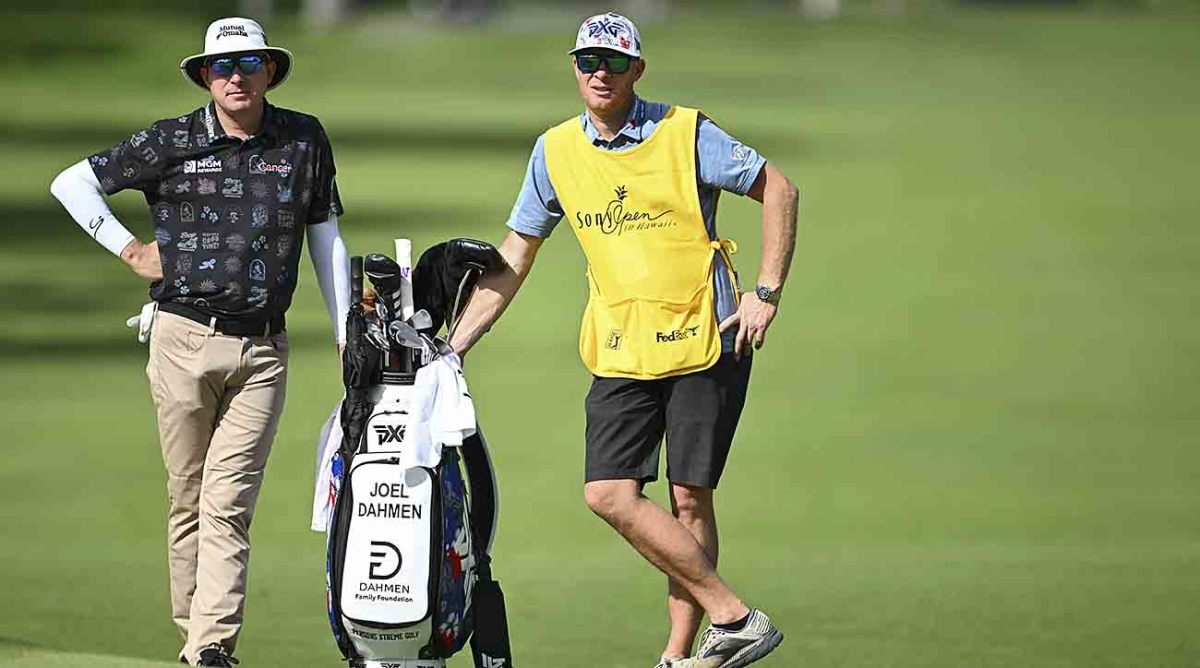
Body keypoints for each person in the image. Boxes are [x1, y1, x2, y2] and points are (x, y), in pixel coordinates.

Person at [448, 11, 798, 668]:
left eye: (613, 61)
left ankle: (678, 655)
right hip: (621, 345)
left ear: (638, 68)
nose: (600, 72)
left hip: (708, 337)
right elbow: (515, 254)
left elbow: (779, 187)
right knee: (607, 492)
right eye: (588, 61)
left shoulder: (684, 132)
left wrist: (766, 290)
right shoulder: (554, 152)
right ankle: (735, 617)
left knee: (689, 496)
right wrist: (455, 343)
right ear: (574, 70)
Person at [49, 17, 350, 667]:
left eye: (247, 63)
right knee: (188, 498)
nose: (235, 76)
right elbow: (72, 182)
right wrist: (128, 248)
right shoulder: (172, 140)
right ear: (205, 76)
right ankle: (197, 640)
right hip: (182, 340)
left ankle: (212, 645)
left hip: (264, 351)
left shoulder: (304, 138)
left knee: (227, 501)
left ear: (270, 69)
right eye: (221, 67)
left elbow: (323, 232)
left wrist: (346, 328)